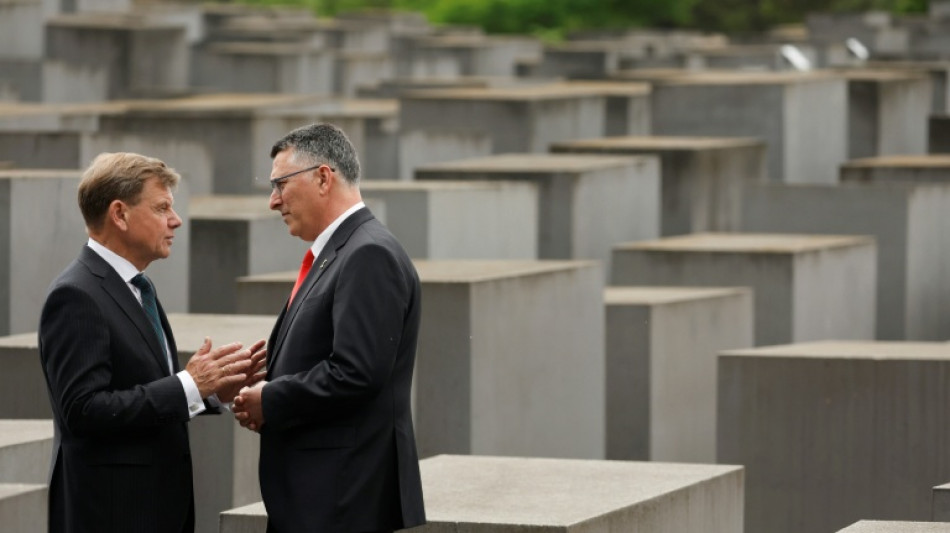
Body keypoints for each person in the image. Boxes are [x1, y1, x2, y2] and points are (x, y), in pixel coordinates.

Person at [38, 152, 266, 533]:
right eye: (162, 208)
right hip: (112, 515)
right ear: (120, 214)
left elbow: (139, 390)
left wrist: (209, 392)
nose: (175, 220)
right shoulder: (76, 296)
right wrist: (189, 384)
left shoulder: (137, 287)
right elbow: (83, 410)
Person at [232, 123, 426, 533]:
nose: (273, 201)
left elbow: (357, 373)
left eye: (281, 185)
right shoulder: (342, 252)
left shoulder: (367, 252)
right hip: (321, 498)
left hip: (342, 502)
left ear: (323, 177)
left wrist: (272, 398)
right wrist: (265, 378)